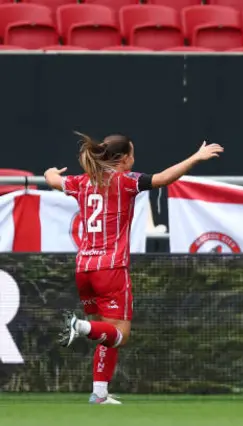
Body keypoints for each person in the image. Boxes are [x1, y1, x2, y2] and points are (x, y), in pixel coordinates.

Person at [44, 133, 223, 404]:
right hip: (111, 267)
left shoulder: (81, 182)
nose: (134, 159)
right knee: (120, 335)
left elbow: (52, 179)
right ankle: (78, 326)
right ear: (124, 159)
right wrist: (196, 158)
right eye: (133, 154)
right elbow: (163, 178)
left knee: (105, 331)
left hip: (83, 268)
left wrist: (49, 170)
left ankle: (100, 394)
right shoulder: (125, 181)